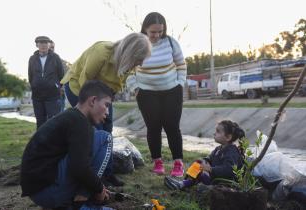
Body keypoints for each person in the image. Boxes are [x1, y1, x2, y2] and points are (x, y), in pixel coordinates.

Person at [60, 32, 151, 186]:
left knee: (107, 130)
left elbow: (115, 86)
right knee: (95, 131)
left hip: (102, 94)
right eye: (139, 59)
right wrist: (90, 110)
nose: (140, 64)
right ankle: (92, 176)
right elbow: (85, 81)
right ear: (131, 52)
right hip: (79, 88)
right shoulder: (101, 52)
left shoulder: (127, 64)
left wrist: (107, 105)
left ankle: (107, 174)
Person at [20, 80, 115, 210]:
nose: (107, 112)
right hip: (49, 192)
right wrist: (98, 188)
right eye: (106, 105)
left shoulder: (70, 117)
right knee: (105, 138)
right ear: (92, 101)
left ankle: (77, 198)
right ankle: (81, 203)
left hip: (38, 191)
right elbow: (79, 167)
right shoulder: (80, 124)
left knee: (95, 135)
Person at [126, 12, 187, 177]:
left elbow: (181, 64)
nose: (157, 35)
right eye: (153, 32)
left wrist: (180, 83)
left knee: (172, 127)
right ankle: (157, 162)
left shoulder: (171, 43)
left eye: (160, 31)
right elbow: (128, 69)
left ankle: (178, 163)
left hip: (172, 91)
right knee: (153, 127)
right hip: (146, 93)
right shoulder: (137, 44)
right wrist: (136, 89)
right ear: (145, 28)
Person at [164, 120, 245, 190]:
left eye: (218, 131)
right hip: (215, 179)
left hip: (225, 184)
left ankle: (182, 185)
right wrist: (205, 160)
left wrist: (210, 169)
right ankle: (184, 182)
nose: (214, 133)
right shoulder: (218, 149)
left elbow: (229, 169)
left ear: (228, 137)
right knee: (198, 164)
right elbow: (210, 158)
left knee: (201, 174)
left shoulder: (232, 152)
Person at [28, 36, 64, 129]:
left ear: (49, 45)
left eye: (45, 43)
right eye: (41, 43)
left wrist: (55, 86)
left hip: (52, 95)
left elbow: (61, 75)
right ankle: (40, 142)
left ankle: (55, 142)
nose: (43, 45)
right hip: (37, 95)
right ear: (37, 45)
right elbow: (30, 76)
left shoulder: (56, 57)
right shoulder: (32, 59)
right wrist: (34, 85)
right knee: (40, 121)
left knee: (54, 120)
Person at [49, 40, 67, 112]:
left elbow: (62, 76)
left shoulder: (57, 59)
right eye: (50, 48)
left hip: (57, 93)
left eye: (53, 47)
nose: (51, 49)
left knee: (59, 114)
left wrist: (60, 87)